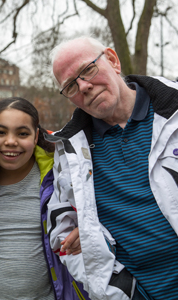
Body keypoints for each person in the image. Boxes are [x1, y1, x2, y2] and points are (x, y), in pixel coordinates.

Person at [46, 36, 178, 300]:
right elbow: (62, 234)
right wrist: (94, 236)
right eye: (71, 85)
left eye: (88, 69)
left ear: (113, 61)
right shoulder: (70, 149)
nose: (84, 86)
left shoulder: (172, 112)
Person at [0, 97, 89, 300]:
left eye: (22, 133)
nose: (11, 141)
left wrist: (88, 230)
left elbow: (105, 209)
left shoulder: (60, 178)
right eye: (0, 132)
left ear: (36, 136)